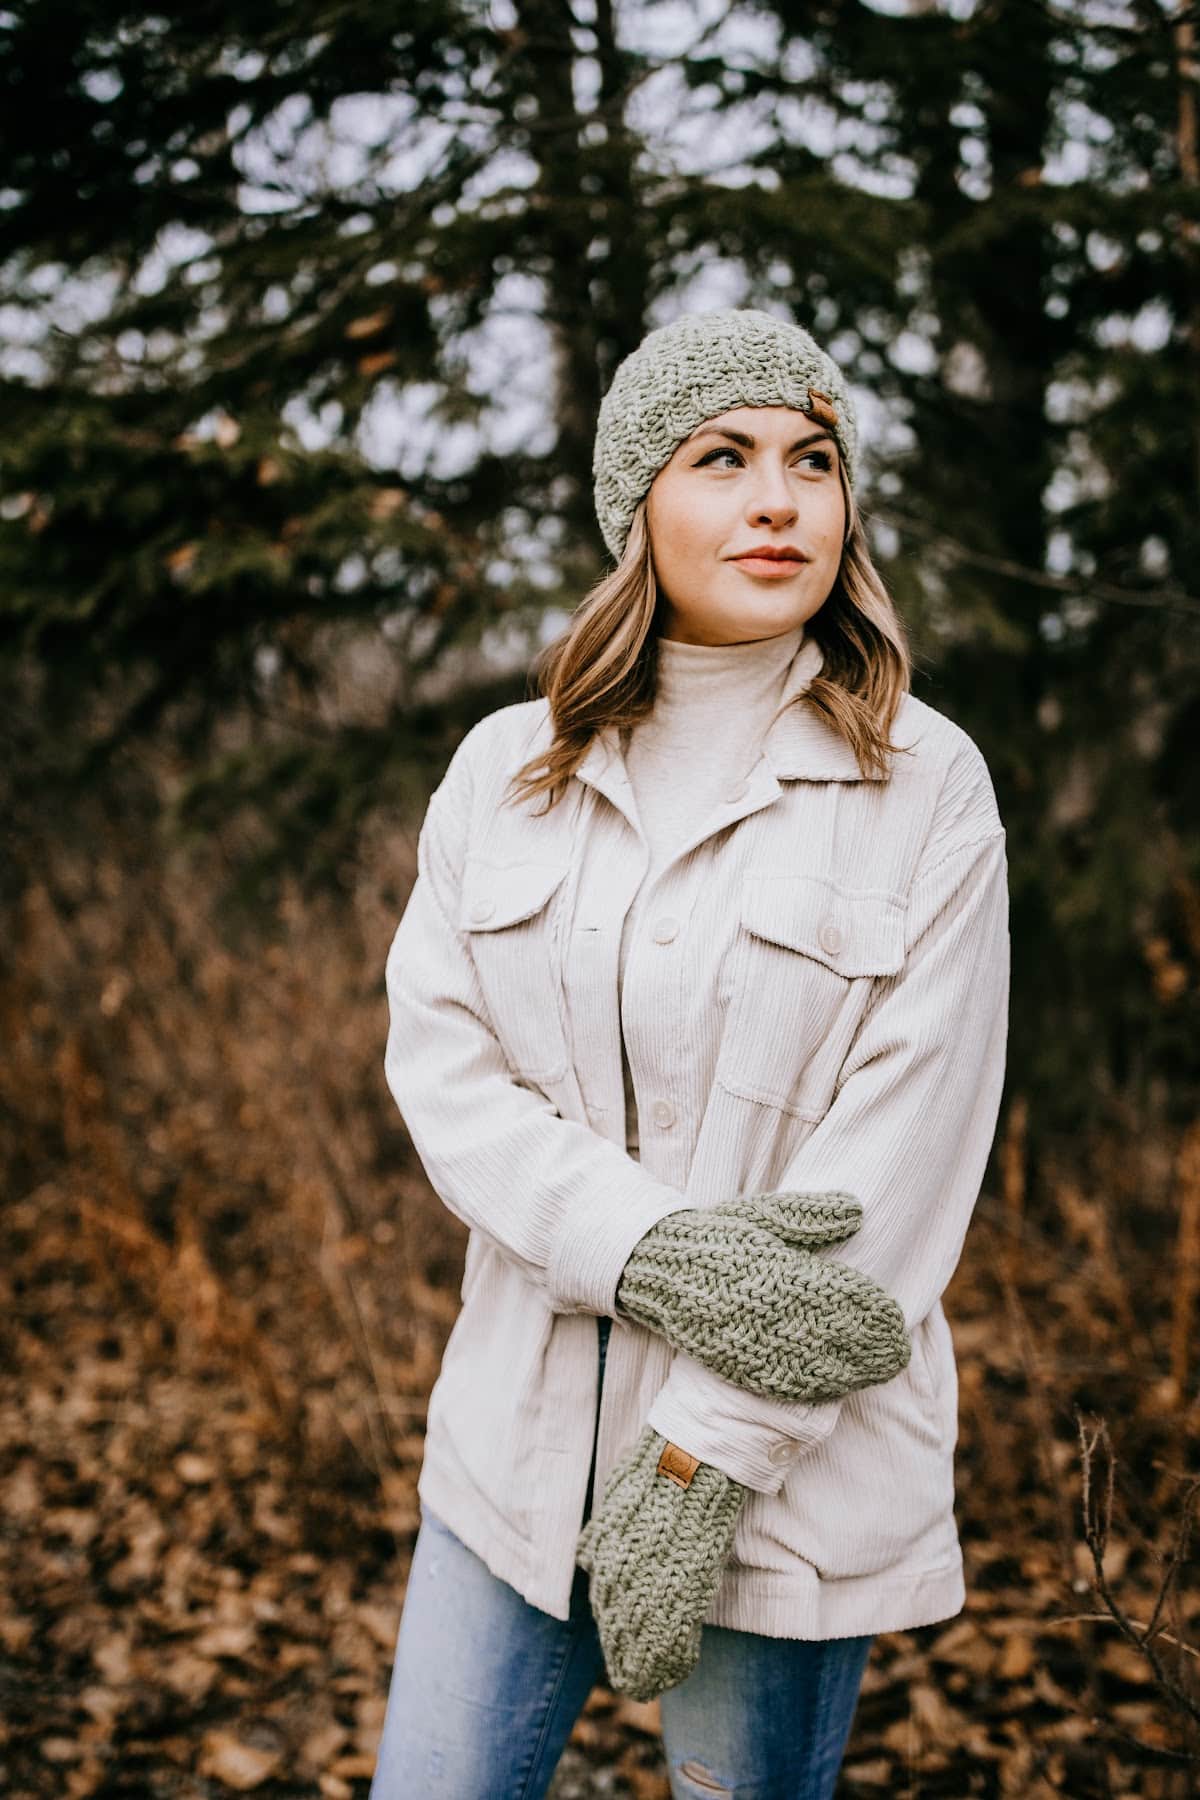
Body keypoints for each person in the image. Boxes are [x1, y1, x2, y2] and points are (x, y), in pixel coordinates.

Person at [370, 307, 1010, 1799]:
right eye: (722, 458)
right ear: (637, 501)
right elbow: (450, 1081)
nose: (778, 498)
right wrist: (654, 1253)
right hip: (512, 1453)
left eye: (812, 460)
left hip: (786, 1476)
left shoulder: (925, 784)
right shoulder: (506, 772)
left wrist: (698, 1462)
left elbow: (900, 1179)